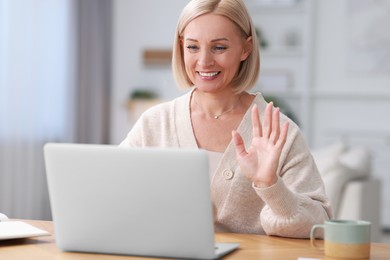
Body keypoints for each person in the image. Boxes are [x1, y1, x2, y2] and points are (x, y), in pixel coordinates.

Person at [120, 0, 332, 238]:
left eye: (219, 48)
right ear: (181, 47)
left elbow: (320, 225)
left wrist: (270, 185)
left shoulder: (278, 131)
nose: (204, 61)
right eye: (192, 47)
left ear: (246, 48)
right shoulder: (155, 123)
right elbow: (113, 192)